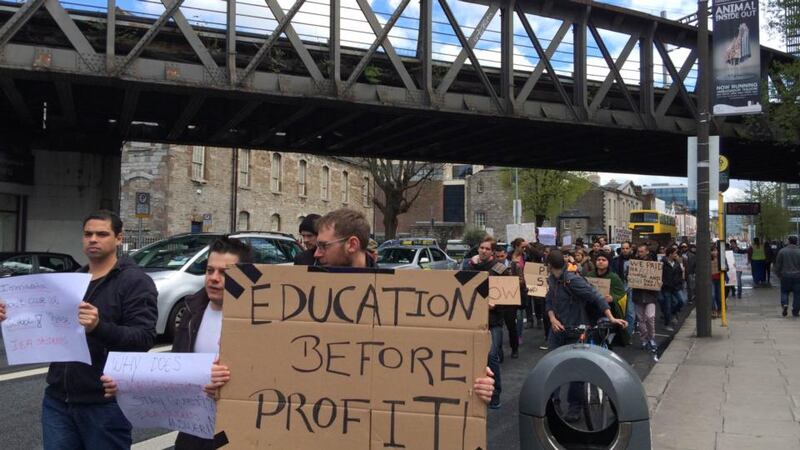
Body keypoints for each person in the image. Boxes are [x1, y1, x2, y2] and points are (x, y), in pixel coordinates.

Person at [0, 210, 159, 450]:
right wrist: (11, 316)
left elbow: (144, 338)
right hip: (57, 399)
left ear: (119, 238)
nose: (93, 239)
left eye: (102, 234)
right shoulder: (72, 280)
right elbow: (48, 325)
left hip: (103, 402)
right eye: (88, 234)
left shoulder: (135, 281)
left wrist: (98, 327)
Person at [316, 209, 495, 404]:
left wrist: (472, 375)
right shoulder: (304, 295)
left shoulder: (399, 298)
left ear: (352, 244)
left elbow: (428, 357)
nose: (316, 253)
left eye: (323, 246)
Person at [102, 237, 250, 449]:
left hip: (238, 433)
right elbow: (173, 369)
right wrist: (125, 383)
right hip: (194, 430)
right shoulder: (191, 311)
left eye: (224, 272)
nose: (214, 278)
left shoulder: (256, 321)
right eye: (210, 271)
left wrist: (231, 384)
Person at [544, 249, 627, 422]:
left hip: (575, 330)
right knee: (551, 367)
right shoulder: (551, 279)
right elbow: (549, 301)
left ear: (549, 265)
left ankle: (575, 406)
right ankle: (553, 401)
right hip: (557, 331)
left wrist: (611, 317)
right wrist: (552, 319)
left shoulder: (573, 280)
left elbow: (596, 296)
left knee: (576, 370)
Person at [464, 235, 507, 408]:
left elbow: (508, 297)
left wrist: (495, 305)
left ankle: (495, 394)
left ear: (493, 252)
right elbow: (462, 288)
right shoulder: (469, 266)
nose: (483, 251)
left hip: (493, 321)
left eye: (487, 249)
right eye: (481, 247)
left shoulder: (501, 269)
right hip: (472, 319)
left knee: (490, 356)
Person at [587, 251, 629, 347]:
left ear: (608, 262)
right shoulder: (589, 275)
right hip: (591, 309)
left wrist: (613, 297)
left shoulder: (614, 277)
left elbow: (621, 293)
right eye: (598, 260)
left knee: (606, 333)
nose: (600, 262)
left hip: (608, 310)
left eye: (603, 260)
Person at [632, 243, 660, 360]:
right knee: (641, 319)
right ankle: (644, 339)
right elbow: (630, 276)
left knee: (650, 317)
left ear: (647, 251)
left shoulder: (654, 264)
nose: (640, 253)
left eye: (642, 251)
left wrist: (659, 282)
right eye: (639, 251)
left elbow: (658, 277)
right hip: (638, 295)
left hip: (650, 296)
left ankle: (652, 337)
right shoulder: (634, 264)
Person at [775, 236, 800, 317]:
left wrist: (778, 274)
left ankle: (785, 304)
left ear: (789, 241)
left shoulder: (782, 251)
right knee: (797, 294)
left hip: (785, 276)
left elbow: (778, 264)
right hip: (797, 276)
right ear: (796, 242)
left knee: (784, 292)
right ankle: (795, 311)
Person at [660, 247, 684, 332]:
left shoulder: (677, 263)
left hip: (676, 287)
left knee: (681, 301)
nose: (676, 255)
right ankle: (667, 324)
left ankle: (673, 312)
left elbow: (681, 273)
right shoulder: (662, 263)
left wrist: (680, 282)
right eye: (675, 253)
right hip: (666, 288)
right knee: (668, 306)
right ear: (670, 254)